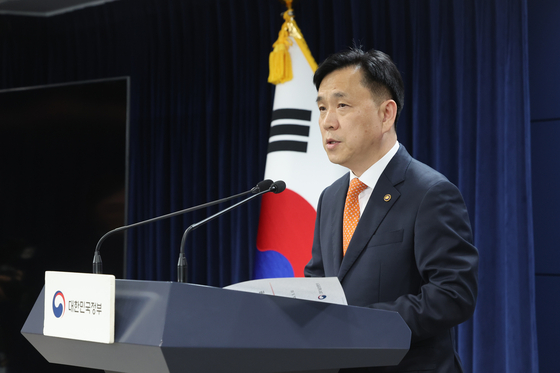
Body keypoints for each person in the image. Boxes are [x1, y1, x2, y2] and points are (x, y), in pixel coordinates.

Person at [304, 48, 479, 373]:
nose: (328, 122)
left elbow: (453, 293)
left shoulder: (430, 192)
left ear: (386, 114)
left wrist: (358, 325)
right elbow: (320, 278)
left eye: (342, 105)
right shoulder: (331, 197)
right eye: (322, 107)